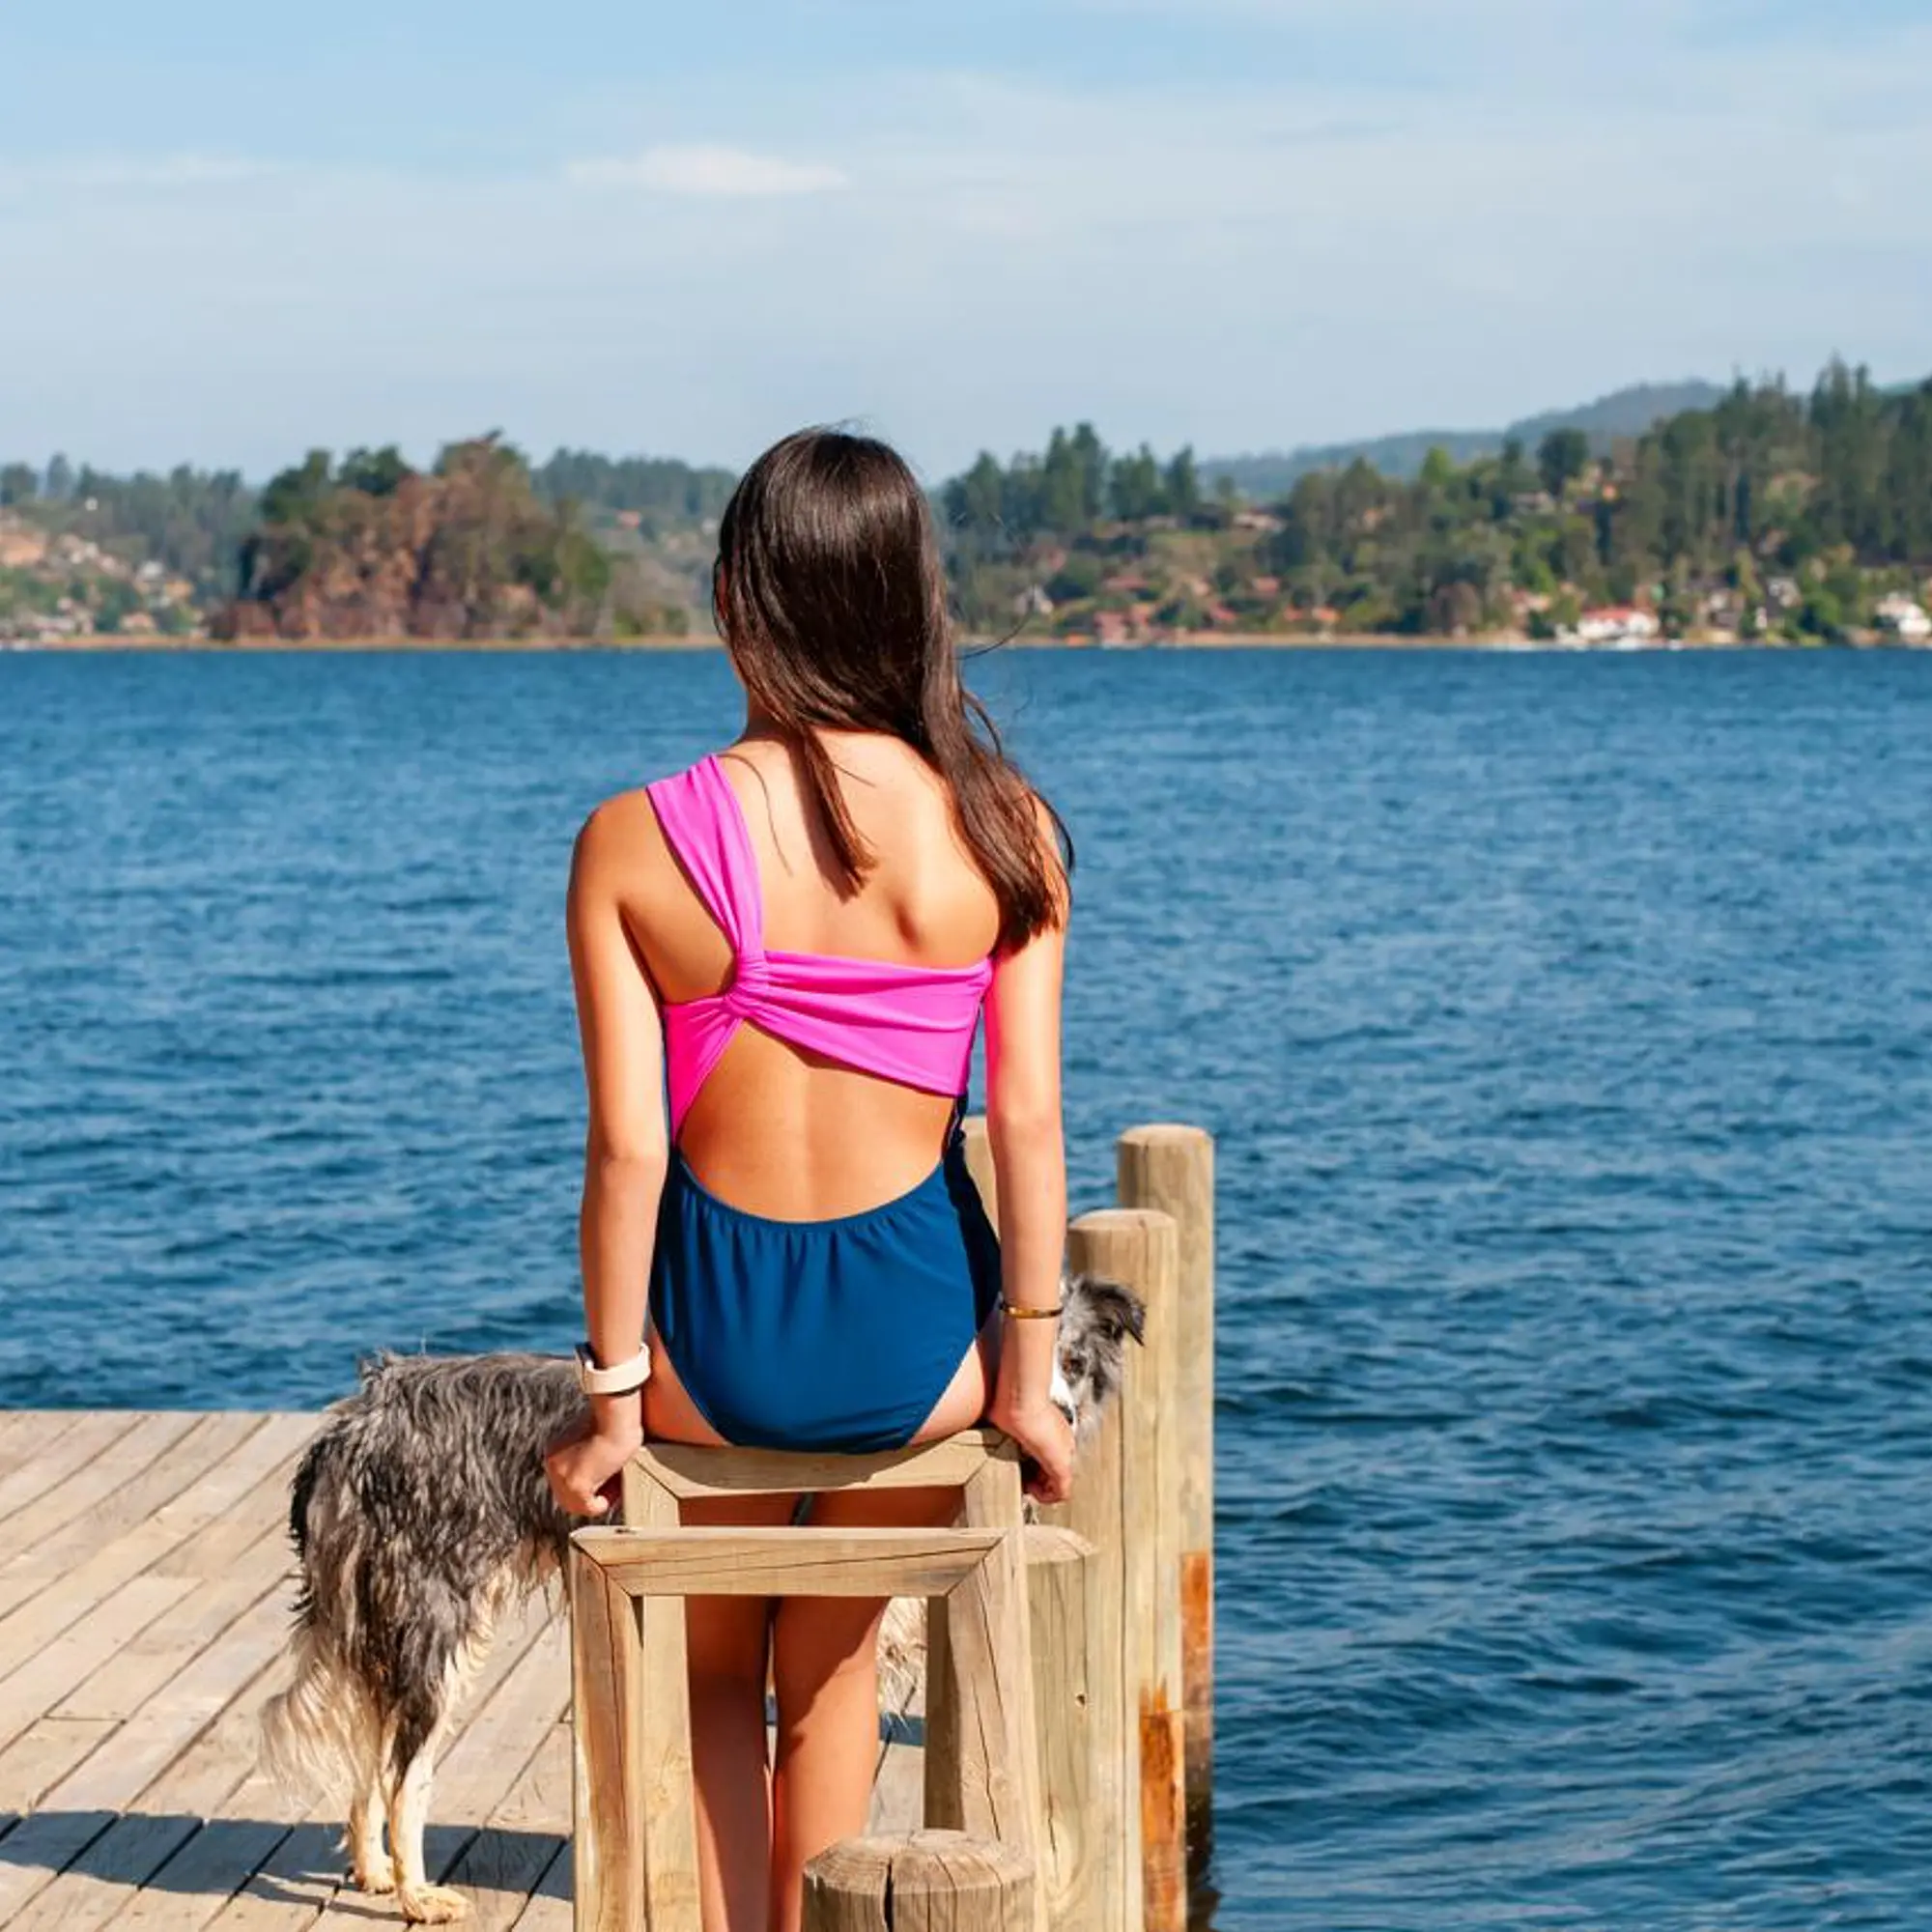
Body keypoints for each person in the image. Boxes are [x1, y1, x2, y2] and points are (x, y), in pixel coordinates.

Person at [544, 428, 1074, 1932]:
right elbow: (1026, 1122)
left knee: (716, 1669)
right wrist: (1023, 1382)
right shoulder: (1004, 827)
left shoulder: (633, 839)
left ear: (736, 598)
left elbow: (628, 1149)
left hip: (709, 1355)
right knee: (833, 1662)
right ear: (912, 604)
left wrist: (609, 1406)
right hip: (916, 1357)